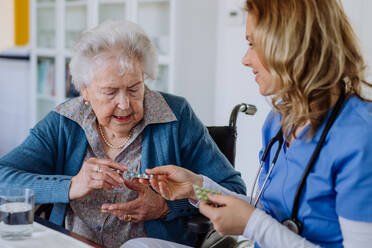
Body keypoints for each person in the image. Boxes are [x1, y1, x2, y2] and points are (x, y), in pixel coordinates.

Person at [122, 0, 372, 247]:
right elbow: (266, 210)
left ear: (290, 45)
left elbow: (257, 221)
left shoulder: (359, 136)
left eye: (253, 44)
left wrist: (252, 225)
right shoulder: (279, 121)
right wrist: (196, 189)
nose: (245, 59)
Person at [0, 20, 246, 248]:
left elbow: (232, 191)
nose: (125, 104)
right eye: (110, 92)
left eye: (134, 89)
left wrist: (167, 206)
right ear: (84, 90)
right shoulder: (63, 123)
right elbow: (3, 178)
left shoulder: (176, 117)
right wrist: (71, 185)